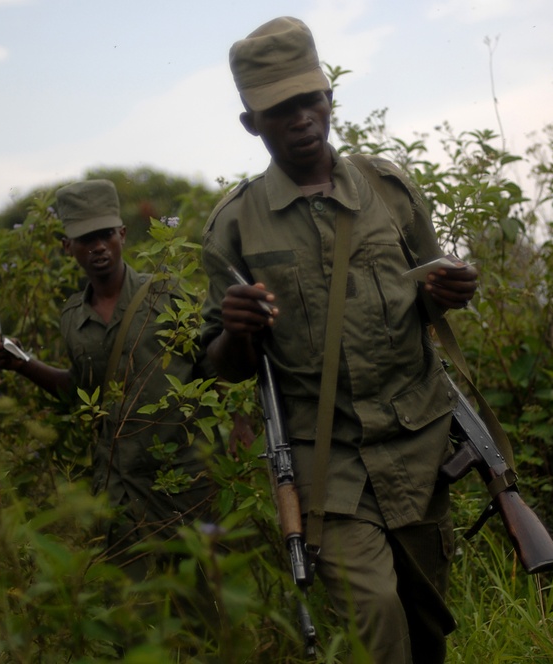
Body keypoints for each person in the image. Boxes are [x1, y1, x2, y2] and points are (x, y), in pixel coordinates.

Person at [200, 17, 480, 664]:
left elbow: (433, 288)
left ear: (330, 99)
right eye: (280, 110)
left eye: (310, 101)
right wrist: (237, 331)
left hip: (417, 443)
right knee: (374, 622)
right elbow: (226, 364)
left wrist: (450, 291)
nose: (301, 120)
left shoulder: (390, 191)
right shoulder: (235, 227)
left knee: (427, 623)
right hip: (327, 463)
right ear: (252, 124)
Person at [0, 179, 221, 579]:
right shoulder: (72, 319)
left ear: (122, 235)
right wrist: (22, 362)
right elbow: (81, 392)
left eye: (105, 235)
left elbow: (213, 367)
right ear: (68, 247)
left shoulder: (167, 294)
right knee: (134, 610)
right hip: (120, 489)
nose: (98, 247)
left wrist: (237, 423)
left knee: (203, 601)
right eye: (85, 239)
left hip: (184, 481)